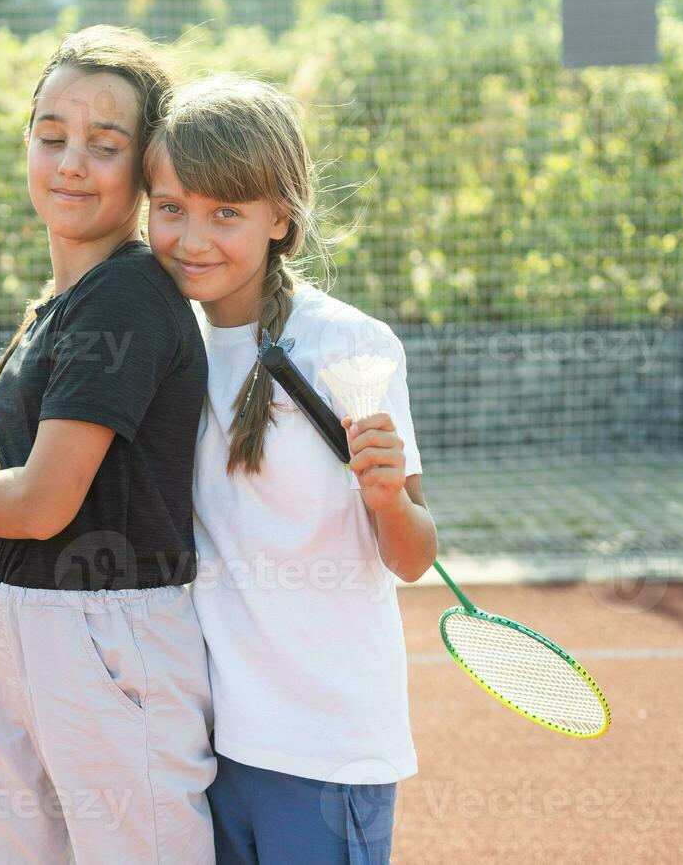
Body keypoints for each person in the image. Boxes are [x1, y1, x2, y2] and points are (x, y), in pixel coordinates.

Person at [0, 26, 216, 865]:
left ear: (145, 168)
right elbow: (64, 499)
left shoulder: (127, 299)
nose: (70, 161)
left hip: (102, 642)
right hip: (22, 618)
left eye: (103, 146)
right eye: (51, 136)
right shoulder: (63, 302)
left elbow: (42, 504)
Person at [143, 73, 438, 864]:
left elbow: (410, 557)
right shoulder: (167, 344)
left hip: (326, 748)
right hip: (211, 742)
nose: (193, 238)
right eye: (171, 208)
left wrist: (385, 495)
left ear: (282, 217)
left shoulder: (348, 343)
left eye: (226, 213)